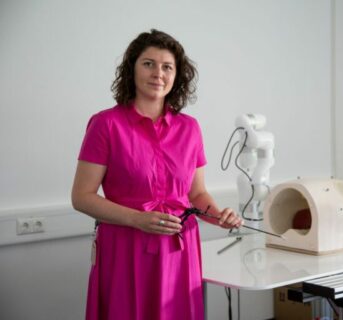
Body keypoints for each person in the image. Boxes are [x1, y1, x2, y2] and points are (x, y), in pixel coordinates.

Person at [71, 29, 243, 320]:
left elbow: (196, 194)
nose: (158, 73)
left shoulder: (190, 128)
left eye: (167, 66)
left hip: (179, 251)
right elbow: (81, 197)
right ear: (132, 69)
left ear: (177, 75)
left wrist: (219, 217)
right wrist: (138, 219)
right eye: (148, 63)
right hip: (125, 247)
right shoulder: (106, 124)